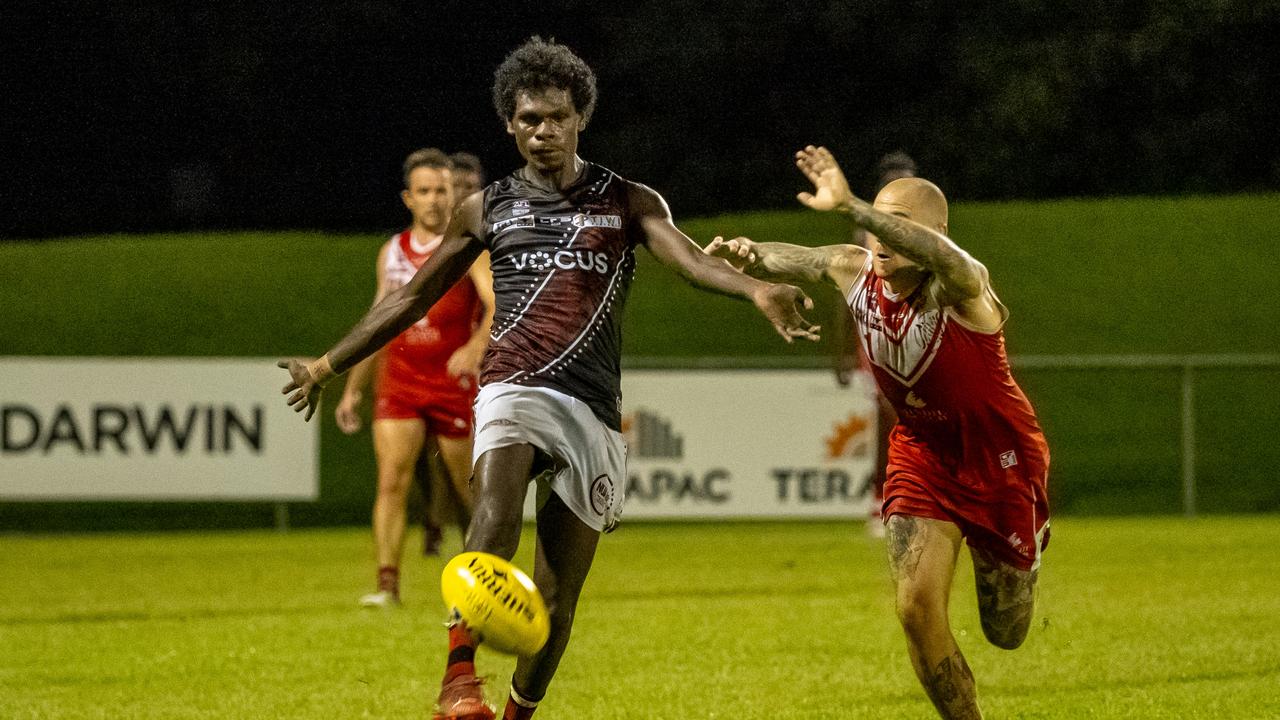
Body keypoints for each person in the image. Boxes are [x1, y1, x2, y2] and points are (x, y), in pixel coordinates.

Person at [279, 38, 819, 720]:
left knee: (557, 597)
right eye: (529, 118)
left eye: (556, 117)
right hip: (514, 383)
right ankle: (458, 679)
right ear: (510, 122)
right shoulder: (485, 208)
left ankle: (515, 715)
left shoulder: (627, 199)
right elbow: (410, 297)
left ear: (580, 118)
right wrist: (328, 364)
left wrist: (756, 291)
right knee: (496, 506)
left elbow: (686, 259)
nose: (543, 130)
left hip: (592, 408)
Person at [707, 146, 1049, 720]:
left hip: (1001, 462)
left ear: (937, 234)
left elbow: (951, 260)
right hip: (922, 456)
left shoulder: (961, 288)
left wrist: (857, 207)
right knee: (916, 607)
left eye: (899, 225)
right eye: (876, 225)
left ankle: (1024, 560)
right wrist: (754, 254)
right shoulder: (857, 269)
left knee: (1007, 630)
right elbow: (809, 258)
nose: (881, 238)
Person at [332, 147, 496, 607]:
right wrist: (352, 390)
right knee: (391, 480)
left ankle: (480, 576)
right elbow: (377, 321)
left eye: (442, 190)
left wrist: (475, 346)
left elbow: (495, 305)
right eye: (425, 191)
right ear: (408, 198)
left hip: (452, 380)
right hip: (402, 379)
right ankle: (387, 585)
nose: (435, 200)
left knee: (469, 490)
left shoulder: (467, 247)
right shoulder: (393, 253)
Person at [828, 151, 919, 538]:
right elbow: (846, 292)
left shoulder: (927, 229)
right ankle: (878, 498)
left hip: (918, 334)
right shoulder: (865, 231)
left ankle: (916, 499)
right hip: (877, 333)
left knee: (918, 421)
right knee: (887, 416)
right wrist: (842, 351)